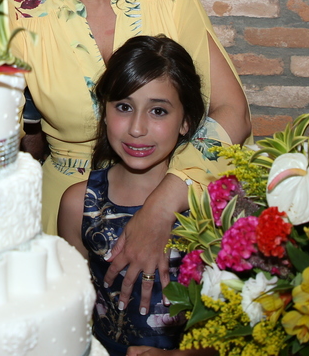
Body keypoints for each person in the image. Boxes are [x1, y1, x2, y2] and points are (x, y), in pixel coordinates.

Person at [9, 0, 251, 316]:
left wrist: (162, 206)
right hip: (65, 219)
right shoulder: (17, 15)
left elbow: (233, 112)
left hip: (176, 201)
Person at [59, 36, 205, 356]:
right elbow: (72, 314)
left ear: (185, 121)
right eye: (124, 107)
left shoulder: (208, 206)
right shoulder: (78, 204)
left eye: (158, 111)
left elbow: (237, 326)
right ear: (104, 111)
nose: (137, 129)